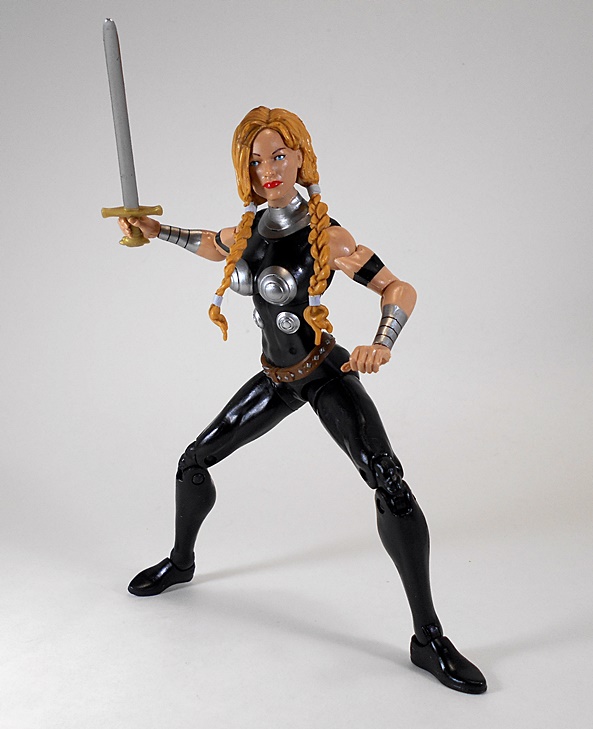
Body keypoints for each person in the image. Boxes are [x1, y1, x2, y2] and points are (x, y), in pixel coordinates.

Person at [118, 106, 487, 694]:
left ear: (300, 159)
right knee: (193, 462)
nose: (268, 169)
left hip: (323, 374)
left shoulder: (326, 235)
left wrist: (381, 341)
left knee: (390, 485)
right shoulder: (249, 229)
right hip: (275, 378)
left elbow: (398, 287)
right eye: (255, 161)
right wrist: (156, 231)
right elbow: (211, 245)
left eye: (278, 156)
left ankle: (428, 638)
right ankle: (182, 562)